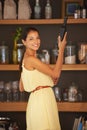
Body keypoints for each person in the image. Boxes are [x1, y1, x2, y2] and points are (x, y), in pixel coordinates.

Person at [19, 27, 67, 130]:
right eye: (31, 39)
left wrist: (47, 81)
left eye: (37, 37)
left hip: (38, 101)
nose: (36, 41)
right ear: (24, 42)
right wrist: (61, 49)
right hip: (41, 102)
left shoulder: (26, 59)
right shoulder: (31, 59)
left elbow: (21, 87)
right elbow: (56, 74)